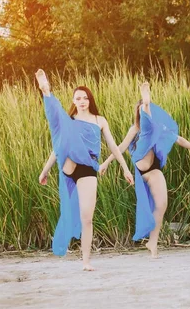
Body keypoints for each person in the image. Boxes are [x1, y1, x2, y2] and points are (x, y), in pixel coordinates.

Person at [36, 69, 133, 270]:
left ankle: (86, 261)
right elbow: (58, 148)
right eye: (78, 98)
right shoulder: (70, 121)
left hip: (87, 167)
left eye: (85, 98)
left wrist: (125, 168)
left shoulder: (100, 120)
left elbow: (114, 147)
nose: (82, 101)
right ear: (73, 101)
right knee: (60, 123)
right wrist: (45, 170)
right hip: (69, 164)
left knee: (86, 217)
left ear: (90, 100)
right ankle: (46, 92)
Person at [99, 82, 190, 258]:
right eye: (141, 109)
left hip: (153, 170)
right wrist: (107, 162)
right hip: (140, 167)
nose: (143, 113)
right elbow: (121, 146)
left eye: (146, 109)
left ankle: (152, 242)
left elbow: (180, 140)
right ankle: (146, 99)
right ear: (139, 113)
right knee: (148, 131)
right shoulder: (136, 129)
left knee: (161, 205)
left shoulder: (161, 129)